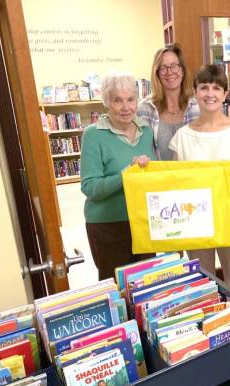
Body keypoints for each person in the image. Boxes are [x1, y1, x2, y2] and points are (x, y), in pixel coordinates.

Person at [169, 64, 230, 300]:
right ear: (195, 92)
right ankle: (212, 333)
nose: (210, 93)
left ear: (225, 94)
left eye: (217, 88)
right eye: (204, 87)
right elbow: (175, 185)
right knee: (202, 283)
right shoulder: (183, 137)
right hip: (195, 220)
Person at [80, 72, 155, 280]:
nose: (126, 107)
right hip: (108, 225)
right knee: (117, 290)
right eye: (117, 100)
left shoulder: (146, 131)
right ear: (106, 102)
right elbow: (90, 188)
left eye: (130, 99)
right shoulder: (93, 135)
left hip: (143, 222)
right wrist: (126, 175)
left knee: (147, 286)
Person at [137, 44, 199, 161]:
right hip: (157, 177)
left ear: (183, 70)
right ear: (157, 73)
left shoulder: (198, 107)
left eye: (174, 66)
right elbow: (140, 151)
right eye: (163, 68)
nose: (169, 72)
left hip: (192, 177)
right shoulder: (144, 109)